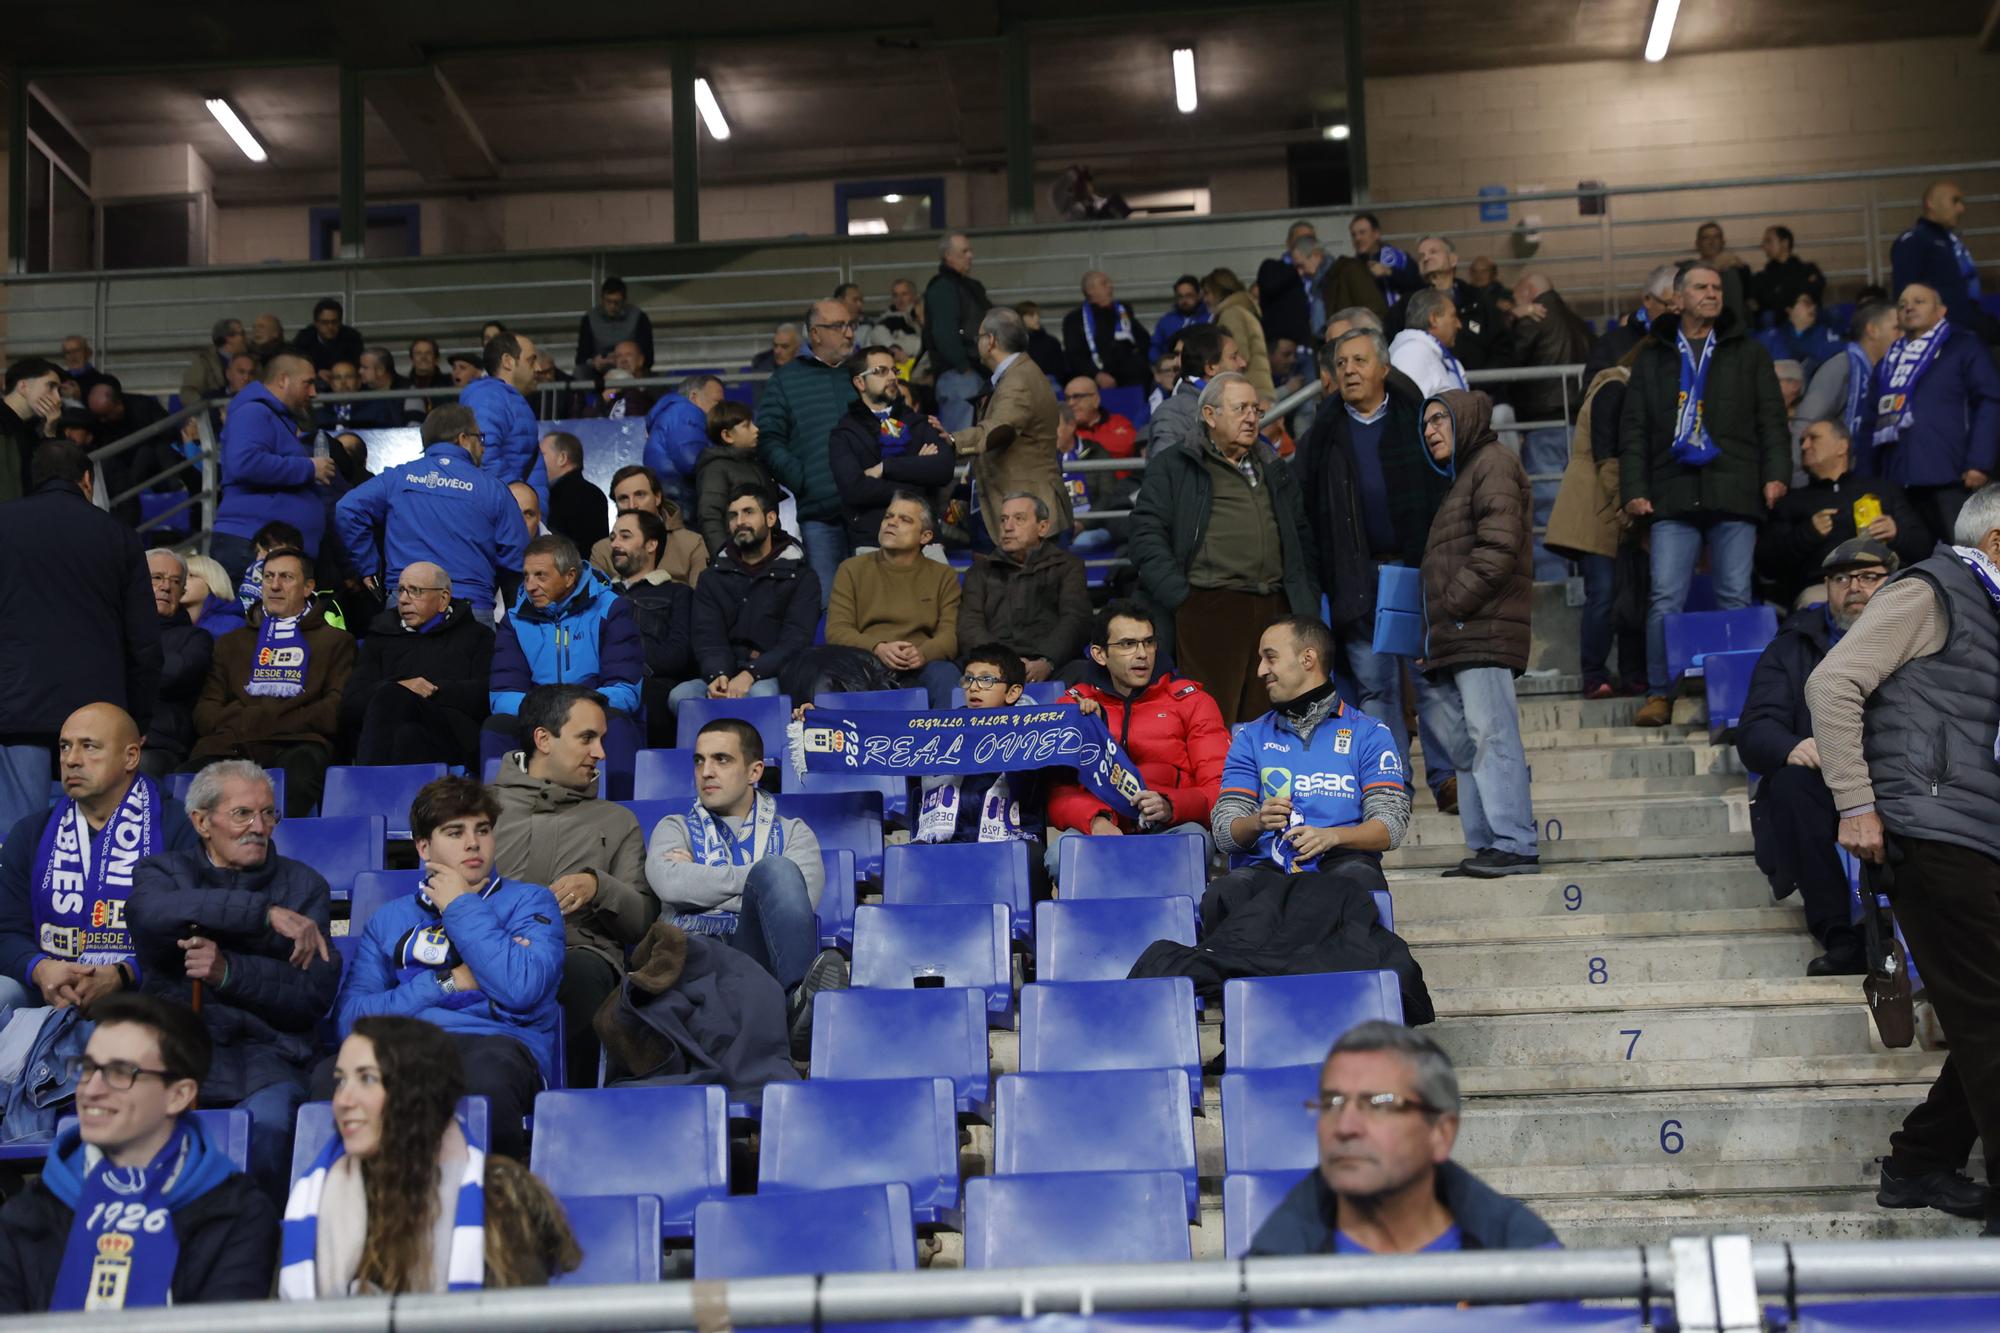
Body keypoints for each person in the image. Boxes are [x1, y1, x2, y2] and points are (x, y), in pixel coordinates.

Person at [1804, 487, 2000, 1231]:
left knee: (1987, 1015)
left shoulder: (1986, 607)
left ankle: (1920, 1161)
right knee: (1990, 1017)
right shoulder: (1930, 589)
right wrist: (1856, 802)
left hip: (1973, 832)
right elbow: (1831, 681)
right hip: (1929, 830)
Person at [127, 759, 339, 1203]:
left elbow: (311, 994)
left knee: (270, 1126)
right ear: (201, 822)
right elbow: (152, 914)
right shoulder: (161, 875)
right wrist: (262, 915)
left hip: (270, 1058)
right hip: (179, 1055)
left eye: (268, 814)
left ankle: (262, 1245)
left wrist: (229, 972)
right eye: (242, 814)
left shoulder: (304, 886)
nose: (259, 827)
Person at [0, 992, 279, 1312]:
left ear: (178, 1095)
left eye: (120, 1073)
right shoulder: (30, 1211)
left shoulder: (236, 1212)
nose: (91, 1090)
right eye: (87, 1068)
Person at [334, 776, 565, 1162]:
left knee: (485, 1082)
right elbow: (351, 1025)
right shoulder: (388, 919)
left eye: (483, 830)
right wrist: (449, 982)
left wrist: (459, 904)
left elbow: (521, 988)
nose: (473, 843)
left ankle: (495, 1208)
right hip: (408, 1046)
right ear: (424, 847)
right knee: (331, 1078)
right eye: (455, 832)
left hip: (497, 1044)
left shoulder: (531, 902)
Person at [284, 1016, 578, 1298]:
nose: (343, 1101)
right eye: (341, 1081)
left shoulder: (502, 1199)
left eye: (367, 1079)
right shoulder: (313, 1200)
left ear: (419, 1093)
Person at [1621, 262, 1791, 727]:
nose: (1712, 294)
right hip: (1670, 492)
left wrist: (1777, 473)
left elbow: (1772, 421)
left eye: (1717, 288)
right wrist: (1634, 489)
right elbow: (1633, 429)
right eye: (1701, 287)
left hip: (1734, 487)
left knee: (1735, 594)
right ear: (1678, 299)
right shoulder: (1653, 355)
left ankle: (1740, 697)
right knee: (1665, 597)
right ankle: (1660, 693)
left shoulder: (1748, 352)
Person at [1247, 1021, 1555, 1255]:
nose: (1345, 1127)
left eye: (1379, 1104)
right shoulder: (1268, 1281)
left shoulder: (1523, 1265)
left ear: (1441, 1133)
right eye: (1331, 1103)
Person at [490, 687, 657, 1092]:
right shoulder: (480, 808)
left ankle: (575, 1111)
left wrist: (599, 886)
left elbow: (641, 921)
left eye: (602, 740)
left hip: (577, 954)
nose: (600, 753)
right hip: (492, 950)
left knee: (580, 973)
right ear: (543, 740)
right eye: (587, 738)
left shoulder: (618, 820)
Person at [1738, 539, 1892, 976]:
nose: (1855, 588)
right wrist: (1790, 746)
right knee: (1788, 785)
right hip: (1825, 779)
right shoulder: (1791, 646)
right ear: (1826, 587)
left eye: (1868, 577)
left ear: (1892, 583)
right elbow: (1754, 730)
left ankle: (1903, 929)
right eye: (1841, 578)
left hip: (1897, 775)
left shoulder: (1916, 638)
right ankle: (1840, 934)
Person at [1130, 372, 1319, 727]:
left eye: (1256, 409)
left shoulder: (1273, 465)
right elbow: (1145, 533)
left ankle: (1259, 785)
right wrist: (1180, 596)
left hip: (1274, 609)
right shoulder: (1175, 465)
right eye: (1240, 408)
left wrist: (1304, 600)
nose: (1251, 417)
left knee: (1270, 723)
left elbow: (1302, 536)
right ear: (1210, 415)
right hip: (1209, 608)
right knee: (1211, 724)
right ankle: (1218, 785)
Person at [643, 718, 842, 1051]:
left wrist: (701, 877)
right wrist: (758, 887)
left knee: (779, 873)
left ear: (755, 771)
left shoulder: (794, 832)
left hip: (758, 959)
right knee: (777, 873)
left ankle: (798, 1008)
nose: (706, 771)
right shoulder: (673, 827)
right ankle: (793, 1013)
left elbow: (798, 902)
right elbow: (671, 886)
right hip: (691, 961)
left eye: (722, 759)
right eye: (699, 760)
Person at [1203, 617, 1410, 931]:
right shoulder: (1249, 737)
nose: (1260, 670)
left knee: (1360, 879)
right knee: (1222, 893)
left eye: (1270, 657)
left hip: (1341, 864)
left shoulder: (1369, 733)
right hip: (1265, 869)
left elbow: (1390, 827)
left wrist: (1333, 836)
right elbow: (1224, 832)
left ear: (1308, 658)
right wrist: (1256, 821)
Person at [0, 704, 199, 1019]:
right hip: (49, 989)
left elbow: (193, 929)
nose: (71, 759)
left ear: (131, 757)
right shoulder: (30, 833)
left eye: (89, 746)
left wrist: (124, 972)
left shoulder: (178, 829)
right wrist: (39, 968)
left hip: (144, 989)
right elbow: (6, 930)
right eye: (65, 746)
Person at [1417, 391, 1539, 877]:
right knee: (1467, 745)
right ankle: (1490, 844)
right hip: (1459, 633)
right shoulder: (1464, 474)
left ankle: (1515, 842)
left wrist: (1452, 603)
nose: (1429, 430)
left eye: (1438, 419)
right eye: (1424, 424)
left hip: (1480, 629)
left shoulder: (1493, 462)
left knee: (1491, 735)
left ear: (1464, 419)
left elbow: (1499, 545)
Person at [0, 441, 162, 757]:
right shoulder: (119, 535)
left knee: (20, 808)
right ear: (87, 480)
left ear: (36, 479)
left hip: (14, 713)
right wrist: (137, 719)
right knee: (89, 807)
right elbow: (144, 644)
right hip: (96, 717)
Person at [1046, 602, 1227, 873]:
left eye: (1149, 642)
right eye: (1128, 644)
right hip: (1102, 827)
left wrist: (1171, 805)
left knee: (1195, 841)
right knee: (1060, 855)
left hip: (1171, 827)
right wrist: (1095, 820)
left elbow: (1219, 787)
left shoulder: (1193, 702)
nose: (1142, 654)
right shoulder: (1073, 707)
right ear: (1099, 654)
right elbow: (1056, 789)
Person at [187, 547, 356, 818]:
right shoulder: (232, 643)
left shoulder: (335, 642)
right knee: (185, 780)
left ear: (308, 587)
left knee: (300, 773)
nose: (275, 585)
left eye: (286, 577)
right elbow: (205, 711)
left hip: (297, 744)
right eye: (268, 577)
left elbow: (335, 710)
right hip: (234, 742)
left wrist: (267, 720)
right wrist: (252, 720)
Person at [333, 403, 528, 620]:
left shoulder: (398, 478)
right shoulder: (494, 489)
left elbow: (347, 508)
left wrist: (368, 567)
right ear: (463, 439)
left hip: (406, 603)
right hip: (471, 608)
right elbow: (516, 559)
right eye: (479, 438)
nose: (482, 448)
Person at [1863, 282, 2000, 544]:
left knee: (1967, 559)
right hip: (1899, 482)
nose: (1909, 307)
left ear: (1941, 310)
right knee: (1914, 567)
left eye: (1919, 301)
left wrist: (1979, 462)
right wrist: (1869, 480)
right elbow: (1870, 422)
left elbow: (1989, 401)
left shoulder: (1963, 346)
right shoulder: (1888, 361)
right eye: (1902, 304)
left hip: (1953, 478)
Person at [487, 535, 644, 761]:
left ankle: (618, 798)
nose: (530, 586)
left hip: (594, 713)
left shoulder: (611, 608)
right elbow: (503, 696)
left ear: (570, 576)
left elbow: (624, 690)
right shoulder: (514, 621)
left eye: (540, 575)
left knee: (616, 721)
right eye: (526, 576)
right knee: (498, 726)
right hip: (539, 716)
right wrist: (550, 712)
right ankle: (504, 797)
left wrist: (570, 710)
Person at [678, 484, 820, 715]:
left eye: (748, 512)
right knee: (680, 697)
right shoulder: (712, 576)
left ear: (771, 518)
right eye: (733, 515)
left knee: (759, 696)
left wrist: (751, 673)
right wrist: (719, 675)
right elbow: (707, 636)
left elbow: (796, 641)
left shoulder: (801, 576)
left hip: (776, 675)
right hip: (726, 672)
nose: (740, 521)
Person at [1758, 420, 1928, 608]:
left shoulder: (1883, 490)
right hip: (1824, 591)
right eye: (1802, 441)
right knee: (1811, 602)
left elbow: (1924, 548)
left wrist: (1896, 534)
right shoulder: (1792, 501)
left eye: (1813, 438)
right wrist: (1806, 534)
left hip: (1882, 586)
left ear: (1842, 446)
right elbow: (1766, 565)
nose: (1804, 446)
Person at [339, 563, 495, 768]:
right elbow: (351, 703)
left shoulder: (478, 637)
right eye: (401, 590)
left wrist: (428, 690)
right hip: (398, 737)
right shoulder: (380, 636)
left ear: (443, 599)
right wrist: (402, 687)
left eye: (415, 591)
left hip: (452, 738)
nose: (403, 599)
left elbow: (484, 695)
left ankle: (367, 786)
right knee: (407, 733)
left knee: (394, 700)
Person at [756, 298, 860, 601]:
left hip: (870, 512)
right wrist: (805, 481)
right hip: (820, 515)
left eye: (851, 325)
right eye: (839, 326)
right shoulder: (786, 380)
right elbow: (769, 440)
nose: (850, 333)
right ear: (815, 334)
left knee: (874, 603)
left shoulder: (863, 373)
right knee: (829, 603)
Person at [825, 492, 962, 708]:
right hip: (865, 661)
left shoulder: (943, 576)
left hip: (922, 663)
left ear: (925, 537)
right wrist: (877, 646)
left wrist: (922, 654)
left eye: (905, 519)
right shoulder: (851, 569)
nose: (892, 523)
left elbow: (950, 636)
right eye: (889, 516)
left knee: (946, 675)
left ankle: (943, 740)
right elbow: (836, 630)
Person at [953, 306, 1071, 549]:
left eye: (979, 337)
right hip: (1014, 506)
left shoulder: (1018, 380)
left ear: (991, 341)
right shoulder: (1017, 374)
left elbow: (999, 428)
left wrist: (950, 442)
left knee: (1027, 585)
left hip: (1024, 512)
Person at [211, 352, 331, 586]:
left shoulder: (272, 417)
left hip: (268, 547)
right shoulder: (253, 412)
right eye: (308, 383)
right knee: (246, 622)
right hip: (252, 545)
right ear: (283, 380)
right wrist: (308, 468)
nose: (313, 392)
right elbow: (245, 463)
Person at [828, 345, 957, 548]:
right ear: (860, 382)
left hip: (925, 541)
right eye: (881, 371)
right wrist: (918, 474)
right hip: (872, 542)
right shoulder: (844, 434)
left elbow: (943, 469)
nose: (891, 377)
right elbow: (855, 490)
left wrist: (886, 467)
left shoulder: (920, 423)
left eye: (893, 370)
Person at [958, 493, 1092, 684]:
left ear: (1043, 527)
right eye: (1004, 519)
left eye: (1019, 519)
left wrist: (1046, 661)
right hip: (993, 668)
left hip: (1055, 665)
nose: (1008, 527)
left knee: (1086, 672)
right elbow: (969, 626)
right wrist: (1002, 663)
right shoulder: (979, 572)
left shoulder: (1068, 566)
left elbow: (1076, 620)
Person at [608, 508, 695, 739]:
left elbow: (679, 654)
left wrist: (628, 660)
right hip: (602, 682)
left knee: (645, 694)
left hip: (651, 684)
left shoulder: (679, 593)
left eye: (625, 536)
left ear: (651, 545)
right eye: (613, 537)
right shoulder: (599, 595)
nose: (615, 543)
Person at [1891, 180, 1994, 342]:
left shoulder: (1948, 241)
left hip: (1967, 327)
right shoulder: (1914, 240)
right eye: (1955, 201)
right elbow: (1904, 293)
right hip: (1943, 337)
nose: (1961, 209)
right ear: (1931, 203)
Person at [142, 549, 213, 778]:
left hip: (159, 746)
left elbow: (172, 675)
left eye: (175, 581)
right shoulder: (110, 630)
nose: (165, 586)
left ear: (182, 591)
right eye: (157, 578)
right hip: (106, 741)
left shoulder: (196, 639)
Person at [1798, 301, 1900, 450]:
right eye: (1897, 329)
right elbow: (1804, 424)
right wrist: (1798, 473)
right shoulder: (1842, 366)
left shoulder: (1887, 373)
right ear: (1872, 330)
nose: (1904, 335)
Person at [587, 465, 707, 589]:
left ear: (657, 498)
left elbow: (702, 601)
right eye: (623, 498)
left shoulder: (691, 544)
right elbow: (595, 601)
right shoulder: (603, 550)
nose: (632, 505)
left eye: (640, 495)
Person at [1139, 324, 1242, 457]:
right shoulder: (1173, 412)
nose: (1177, 362)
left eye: (1182, 355)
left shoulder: (1243, 407)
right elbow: (1165, 471)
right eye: (1234, 357)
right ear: (1210, 366)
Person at [923, 232, 991, 432]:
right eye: (964, 251)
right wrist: (963, 366)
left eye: (970, 250)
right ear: (948, 256)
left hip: (975, 372)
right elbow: (944, 333)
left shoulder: (970, 287)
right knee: (961, 441)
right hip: (959, 375)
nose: (970, 255)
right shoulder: (943, 288)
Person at [692, 399, 776, 556]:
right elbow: (710, 516)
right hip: (739, 557)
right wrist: (724, 558)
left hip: (764, 554)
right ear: (727, 435)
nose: (756, 430)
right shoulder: (715, 469)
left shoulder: (754, 462)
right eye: (746, 426)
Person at [1062, 270, 1151, 389]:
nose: (1111, 286)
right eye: (1104, 283)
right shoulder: (1074, 320)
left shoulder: (1122, 311)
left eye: (1110, 282)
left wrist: (1138, 361)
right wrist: (1096, 375)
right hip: (1095, 380)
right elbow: (1074, 356)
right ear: (1090, 290)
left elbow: (1143, 339)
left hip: (1131, 378)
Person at [642, 373, 725, 500]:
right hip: (681, 495)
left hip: (671, 491)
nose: (721, 411)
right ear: (693, 397)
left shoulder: (673, 413)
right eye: (717, 403)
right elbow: (690, 460)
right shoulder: (686, 411)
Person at [1201, 267, 1274, 399]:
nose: (1205, 299)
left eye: (1207, 293)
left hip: (1252, 393)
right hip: (1257, 390)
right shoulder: (1240, 310)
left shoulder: (1231, 314)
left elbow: (1240, 355)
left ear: (1218, 290)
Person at [1387, 287, 1466, 400]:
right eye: (1453, 316)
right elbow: (1406, 411)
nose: (1459, 325)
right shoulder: (1412, 354)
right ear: (1434, 319)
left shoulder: (1428, 352)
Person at [0, 357, 61, 503]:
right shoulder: (4, 426)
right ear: (23, 387)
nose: (58, 398)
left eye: (59, 390)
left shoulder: (32, 429)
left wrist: (50, 431)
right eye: (51, 387)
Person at [538, 430, 610, 554]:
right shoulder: (592, 493)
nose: (537, 461)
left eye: (542, 455)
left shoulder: (584, 496)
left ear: (562, 458)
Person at [1749, 225, 1828, 327]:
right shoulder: (1763, 277)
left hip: (1808, 324)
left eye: (1768, 241)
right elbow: (1763, 302)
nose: (1763, 246)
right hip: (1780, 329)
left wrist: (1781, 292)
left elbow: (1816, 289)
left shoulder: (1808, 269)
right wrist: (1799, 292)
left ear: (1785, 243)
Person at [575, 275, 654, 376]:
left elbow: (648, 357)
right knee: (580, 372)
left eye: (617, 302)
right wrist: (593, 362)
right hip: (599, 371)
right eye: (608, 301)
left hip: (629, 369)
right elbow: (581, 357)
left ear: (624, 300)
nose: (612, 306)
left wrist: (623, 358)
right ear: (602, 299)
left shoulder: (639, 318)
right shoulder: (589, 319)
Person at [1256, 239, 1327, 351]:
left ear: (1316, 255)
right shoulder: (1296, 278)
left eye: (1301, 266)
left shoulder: (1332, 275)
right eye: (1296, 266)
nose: (1301, 272)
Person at [1758, 292, 1844, 382]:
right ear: (1789, 309)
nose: (1813, 307)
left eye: (1814, 304)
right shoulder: (1772, 337)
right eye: (1806, 303)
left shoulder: (1825, 333)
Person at [1350, 212, 1422, 311]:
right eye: (1354, 235)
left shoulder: (1399, 257)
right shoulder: (1353, 266)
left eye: (1362, 233)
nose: (1357, 238)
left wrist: (1389, 272)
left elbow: (1416, 283)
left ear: (1376, 234)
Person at [1692, 221, 1754, 328]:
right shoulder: (1688, 270)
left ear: (1723, 241)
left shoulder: (1739, 270)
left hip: (1734, 332)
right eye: (1706, 238)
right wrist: (1716, 267)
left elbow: (1752, 303)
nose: (1712, 242)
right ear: (1697, 243)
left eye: (1716, 237)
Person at [1064, 377, 1139, 462]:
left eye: (1077, 397)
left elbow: (1128, 446)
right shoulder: (1064, 429)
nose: (1070, 403)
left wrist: (1086, 445)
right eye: (1067, 398)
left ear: (1095, 400)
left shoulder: (1119, 422)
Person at [181, 317, 248, 404]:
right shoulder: (203, 360)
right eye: (242, 333)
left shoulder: (250, 358)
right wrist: (206, 412)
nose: (245, 338)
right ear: (228, 338)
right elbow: (188, 392)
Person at [292, 298, 365, 373]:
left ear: (340, 322)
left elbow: (357, 366)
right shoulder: (303, 339)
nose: (330, 327)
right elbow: (296, 366)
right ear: (316, 323)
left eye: (334, 322)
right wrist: (316, 373)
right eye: (325, 322)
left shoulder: (352, 338)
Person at [1150, 275, 1209, 363]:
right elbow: (1155, 347)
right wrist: (1160, 363)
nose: (1184, 300)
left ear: (1198, 295)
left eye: (1189, 296)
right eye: (1180, 296)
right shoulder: (1166, 321)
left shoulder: (1209, 318)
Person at [1016, 301, 1069, 380]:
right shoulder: (1014, 343)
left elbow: (1061, 370)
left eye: (1037, 314)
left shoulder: (1051, 342)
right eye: (1031, 315)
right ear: (1020, 318)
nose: (1036, 318)